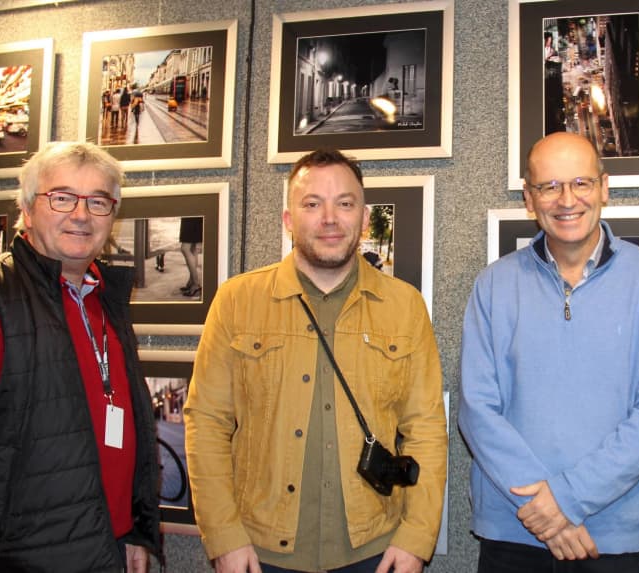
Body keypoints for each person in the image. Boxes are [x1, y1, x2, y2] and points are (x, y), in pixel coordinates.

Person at [184, 148, 447, 573]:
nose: (329, 218)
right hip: (259, 552)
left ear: (364, 218)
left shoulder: (405, 306)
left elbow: (426, 430)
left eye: (345, 203)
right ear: (289, 220)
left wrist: (416, 539)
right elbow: (207, 423)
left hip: (374, 551)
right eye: (312, 204)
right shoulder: (236, 301)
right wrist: (223, 536)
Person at [0, 141, 160, 572]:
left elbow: (121, 429)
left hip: (104, 549)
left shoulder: (103, 299)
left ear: (112, 216)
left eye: (98, 201)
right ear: (27, 210)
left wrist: (132, 530)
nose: (81, 215)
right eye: (62, 197)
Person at [458, 131, 639, 572]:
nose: (567, 199)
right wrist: (546, 512)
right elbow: (477, 409)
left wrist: (566, 499)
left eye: (581, 183)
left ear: (604, 187)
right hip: (513, 531)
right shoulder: (494, 285)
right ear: (529, 198)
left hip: (610, 538)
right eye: (549, 186)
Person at [178, 216, 203, 298]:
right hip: (196, 217)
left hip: (192, 217)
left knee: (185, 248)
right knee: (192, 249)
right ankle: (192, 281)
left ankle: (196, 284)